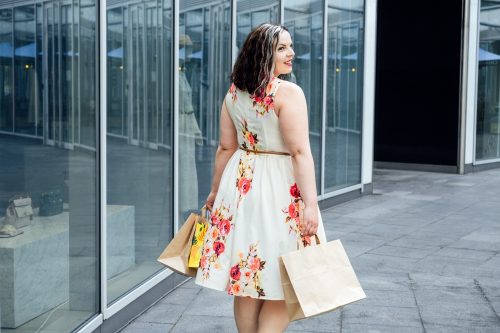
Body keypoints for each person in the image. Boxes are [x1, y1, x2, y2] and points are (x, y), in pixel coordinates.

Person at [194, 23, 327, 333]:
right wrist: (310, 204)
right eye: (282, 48)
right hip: (280, 188)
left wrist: (215, 192)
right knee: (285, 279)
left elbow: (226, 148)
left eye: (291, 46)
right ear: (263, 53)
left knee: (246, 277)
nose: (291, 53)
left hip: (240, 187)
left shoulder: (233, 93)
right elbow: (299, 153)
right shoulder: (288, 92)